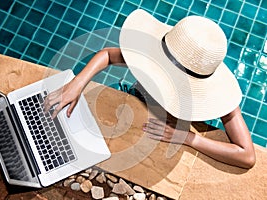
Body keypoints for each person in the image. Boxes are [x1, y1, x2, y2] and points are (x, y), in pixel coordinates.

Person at [44, 9, 255, 169]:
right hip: (130, 101)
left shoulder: (219, 95)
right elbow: (108, 55)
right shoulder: (159, 54)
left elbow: (246, 156)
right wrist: (76, 84)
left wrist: (189, 138)